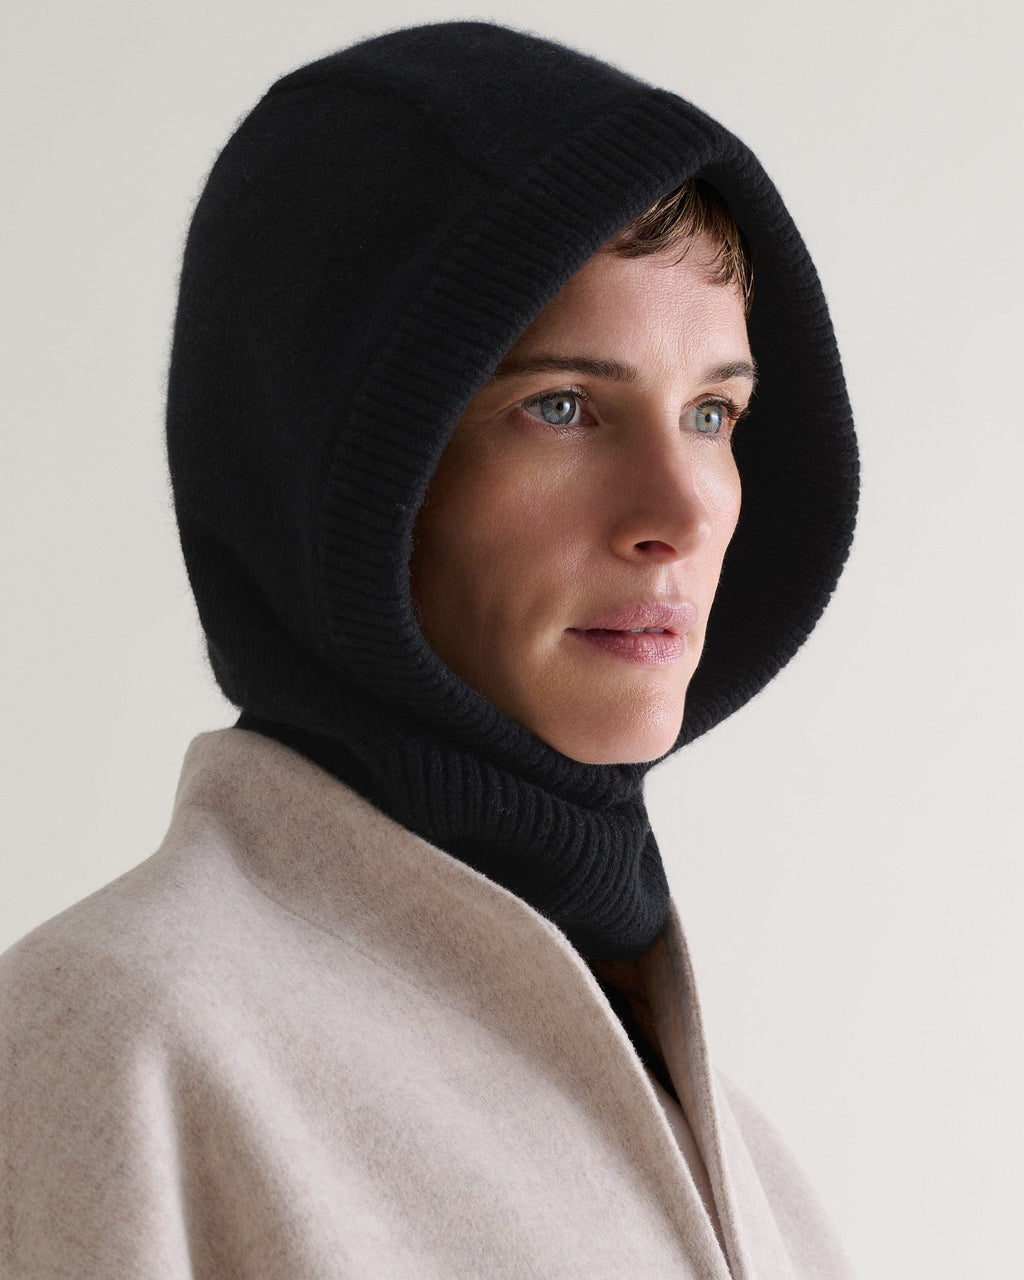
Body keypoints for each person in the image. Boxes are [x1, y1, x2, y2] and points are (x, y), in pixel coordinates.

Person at [0, 20, 859, 1278]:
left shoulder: (743, 1152)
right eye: (562, 406)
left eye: (712, 412)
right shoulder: (117, 1048)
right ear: (347, 476)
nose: (680, 511)